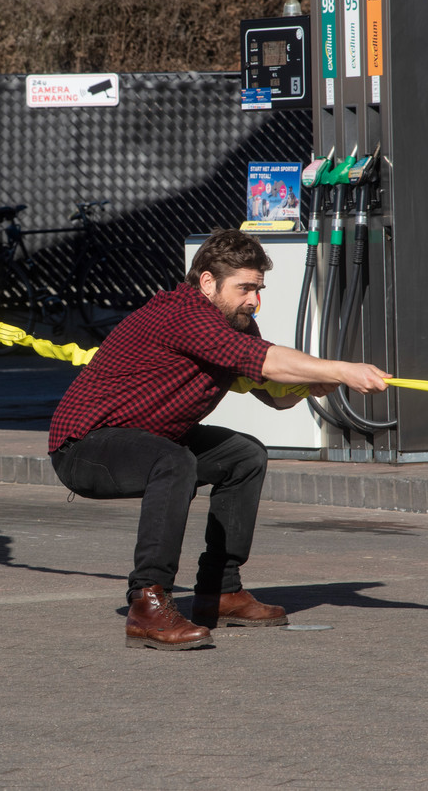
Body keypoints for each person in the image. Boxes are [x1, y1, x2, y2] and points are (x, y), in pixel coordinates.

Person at [48, 229, 389, 650]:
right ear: (207, 282)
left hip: (152, 439)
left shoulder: (238, 325)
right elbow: (265, 359)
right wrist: (340, 368)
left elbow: (276, 395)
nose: (254, 300)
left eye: (258, 288)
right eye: (244, 288)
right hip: (85, 446)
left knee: (243, 455)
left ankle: (220, 592)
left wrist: (319, 382)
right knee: (174, 462)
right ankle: (146, 603)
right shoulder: (183, 314)